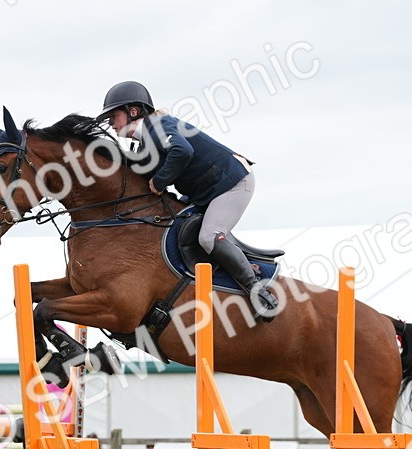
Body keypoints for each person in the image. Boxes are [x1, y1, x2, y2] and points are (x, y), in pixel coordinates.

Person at [98, 80, 278, 321]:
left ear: (133, 111)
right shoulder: (146, 139)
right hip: (209, 190)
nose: (111, 123)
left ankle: (258, 291)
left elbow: (182, 151)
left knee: (208, 237)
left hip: (233, 183)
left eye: (113, 115)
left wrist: (160, 181)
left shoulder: (158, 125)